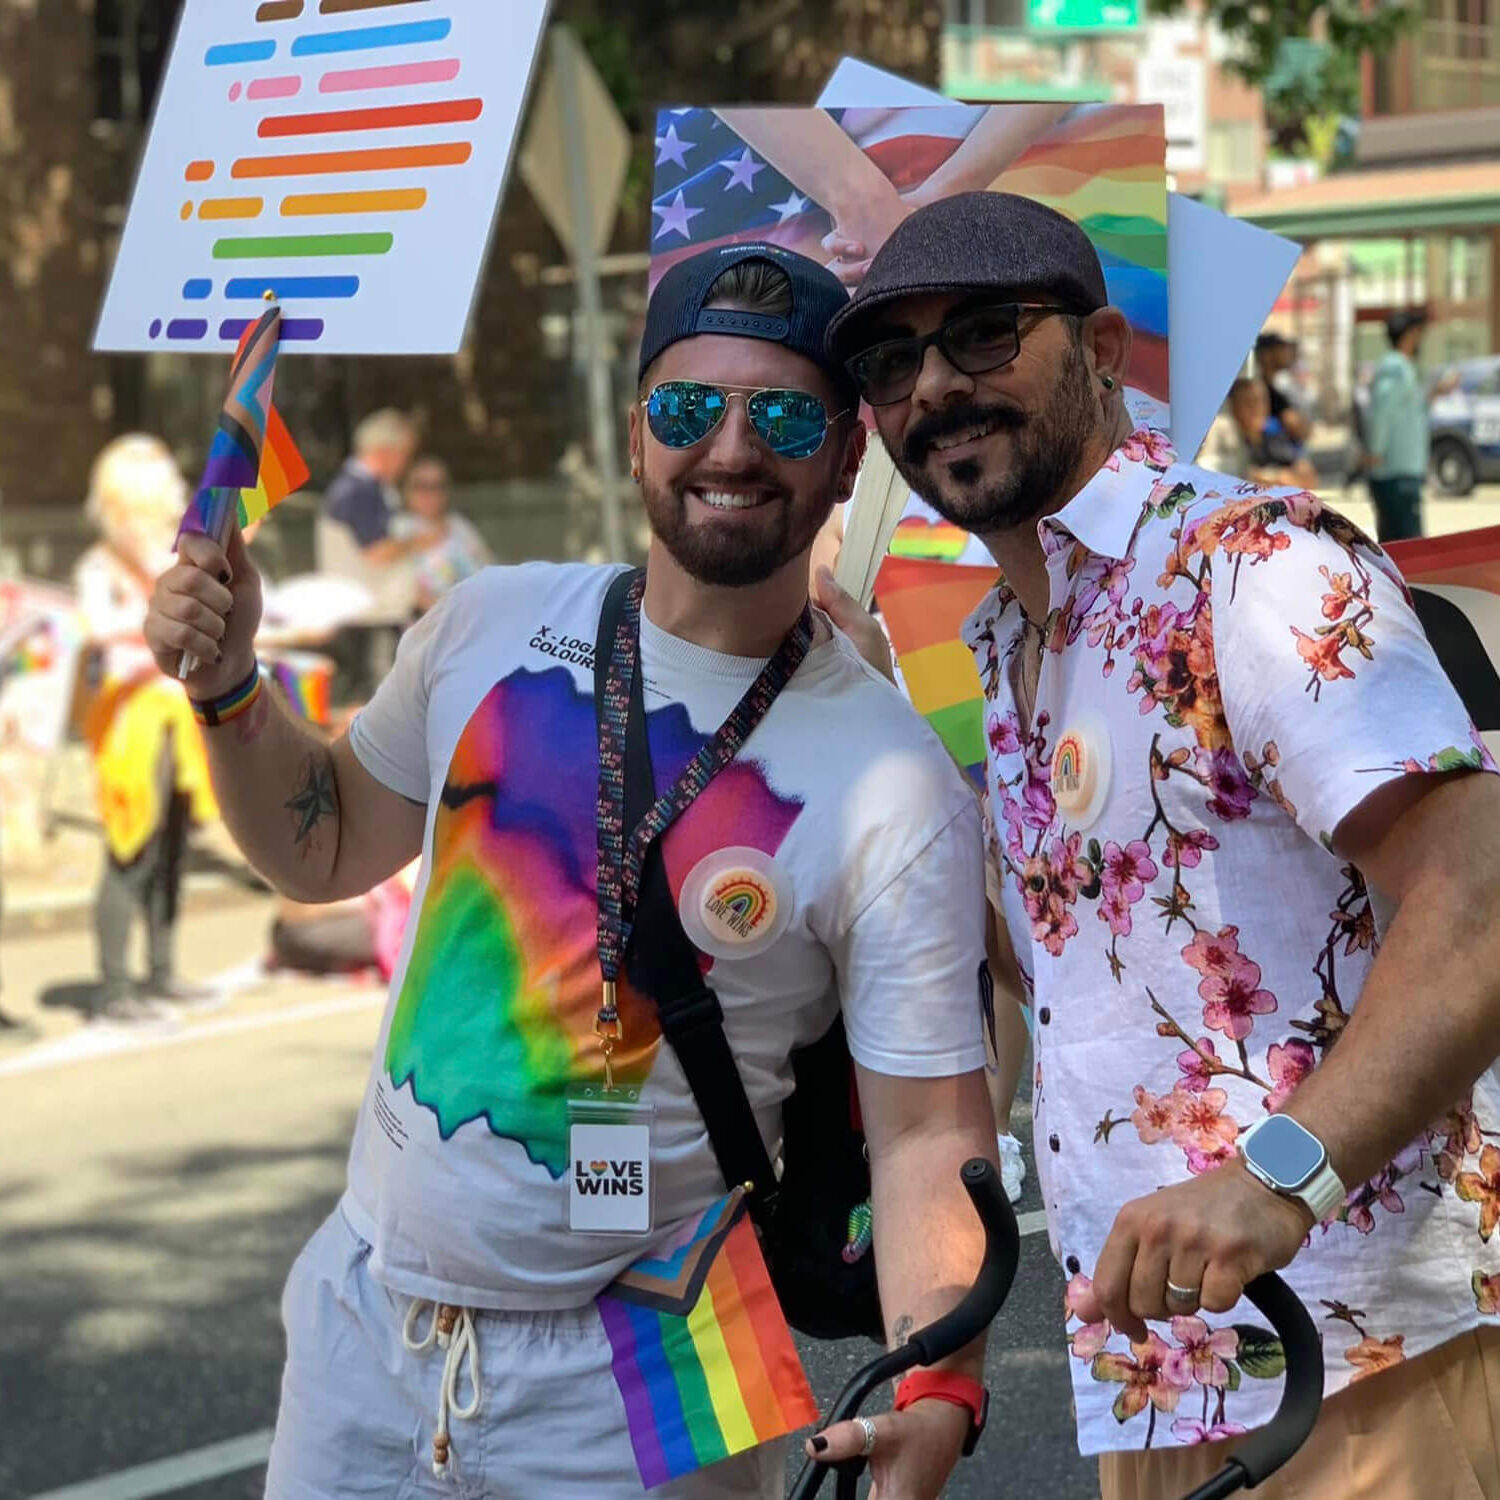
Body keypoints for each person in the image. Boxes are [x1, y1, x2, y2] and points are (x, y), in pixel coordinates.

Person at [146, 243, 1000, 1499]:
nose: (729, 449)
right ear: (639, 427)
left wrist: (940, 1386)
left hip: (656, 1361)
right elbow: (322, 840)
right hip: (365, 1328)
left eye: (781, 416)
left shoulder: (892, 778)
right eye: (688, 408)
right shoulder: (489, 620)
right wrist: (228, 688)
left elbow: (928, 1135)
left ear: (846, 455)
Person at [826, 191, 1500, 1497]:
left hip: (1369, 1349)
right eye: (891, 363)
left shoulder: (1251, 568)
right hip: (1156, 1371)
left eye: (980, 334)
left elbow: (1478, 897)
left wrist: (1281, 1178)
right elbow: (1070, 994)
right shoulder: (1003, 644)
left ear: (1098, 349)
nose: (935, 388)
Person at [74, 435, 217, 1020]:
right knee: (131, 849)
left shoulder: (168, 554)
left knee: (174, 848)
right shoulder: (100, 565)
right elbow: (97, 631)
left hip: (178, 716)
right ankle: (113, 989)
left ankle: (160, 971)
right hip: (132, 722)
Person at [318, 408, 430, 699]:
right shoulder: (359, 490)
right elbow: (377, 551)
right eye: (404, 454)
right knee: (374, 699)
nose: (405, 464)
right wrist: (419, 540)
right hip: (369, 617)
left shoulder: (364, 488)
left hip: (375, 613)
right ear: (384, 452)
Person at [1364, 309, 1435, 543]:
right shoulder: (1396, 368)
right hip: (1395, 472)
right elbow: (1382, 412)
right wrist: (1375, 450)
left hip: (1400, 471)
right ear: (1409, 335)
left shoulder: (1402, 368)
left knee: (1399, 546)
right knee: (1408, 546)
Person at [393, 455, 492, 612]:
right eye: (421, 486)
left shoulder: (460, 526)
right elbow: (404, 587)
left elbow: (486, 569)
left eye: (438, 486)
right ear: (407, 490)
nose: (430, 494)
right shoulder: (398, 529)